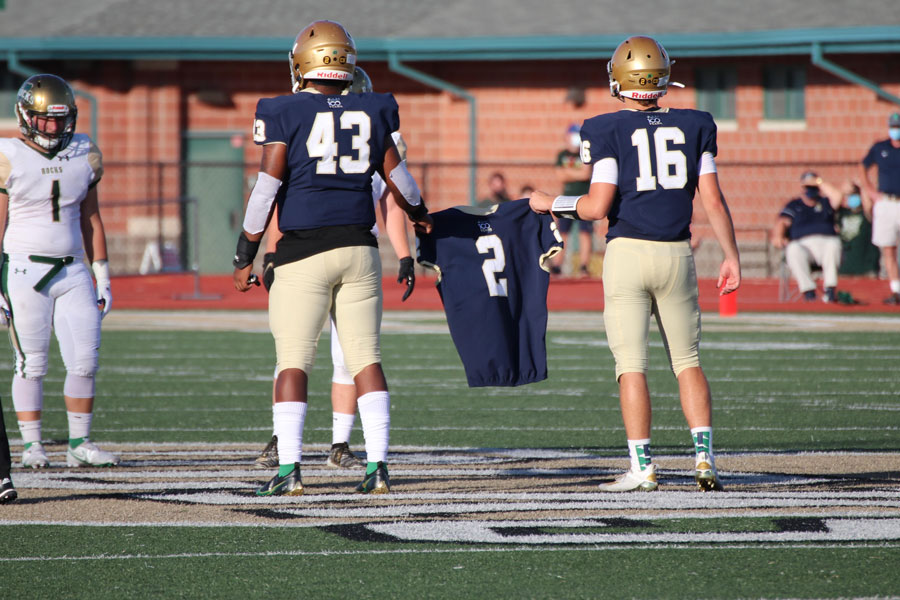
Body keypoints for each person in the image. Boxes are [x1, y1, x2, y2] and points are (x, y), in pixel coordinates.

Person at [529, 35, 741, 492]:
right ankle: (705, 460)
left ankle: (642, 467)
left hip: (627, 254)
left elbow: (597, 205)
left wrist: (551, 202)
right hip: (676, 254)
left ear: (618, 80)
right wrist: (731, 256)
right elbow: (714, 200)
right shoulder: (696, 124)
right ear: (663, 77)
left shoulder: (606, 129)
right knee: (687, 360)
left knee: (631, 365)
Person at [233, 20, 432, 497]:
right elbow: (400, 184)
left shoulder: (284, 111)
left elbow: (266, 190)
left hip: (303, 252)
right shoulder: (374, 109)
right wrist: (421, 217)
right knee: (366, 359)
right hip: (361, 251)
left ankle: (289, 471)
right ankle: (379, 466)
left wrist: (245, 252)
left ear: (304, 63)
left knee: (293, 363)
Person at [254, 66, 417, 471]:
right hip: (353, 251)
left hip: (322, 249)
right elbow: (404, 194)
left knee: (316, 355)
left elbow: (274, 192)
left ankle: (319, 452)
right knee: (355, 356)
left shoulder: (297, 118)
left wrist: (405, 253)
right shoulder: (372, 123)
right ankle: (370, 464)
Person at [0, 74, 119, 469]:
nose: (53, 127)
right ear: (25, 115)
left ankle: (79, 443)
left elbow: (92, 218)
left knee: (85, 360)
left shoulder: (84, 150)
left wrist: (102, 272)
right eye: (44, 119)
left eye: (60, 118)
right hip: (22, 269)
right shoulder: (7, 154)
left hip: (73, 270)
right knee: (31, 361)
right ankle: (32, 445)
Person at [771, 171, 842, 302]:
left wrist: (819, 182)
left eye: (813, 187)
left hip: (825, 244)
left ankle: (830, 289)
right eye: (808, 186)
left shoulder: (825, 202)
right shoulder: (794, 205)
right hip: (803, 246)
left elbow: (837, 196)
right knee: (793, 249)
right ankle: (808, 291)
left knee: (833, 244)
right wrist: (778, 236)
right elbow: (782, 222)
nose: (811, 190)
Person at [861, 112, 900, 304]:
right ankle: (896, 291)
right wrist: (870, 190)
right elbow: (863, 166)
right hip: (886, 201)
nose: (896, 131)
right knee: (889, 248)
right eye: (894, 127)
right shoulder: (880, 147)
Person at [550, 124, 593, 277]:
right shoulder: (562, 154)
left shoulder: (585, 153)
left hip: (585, 198)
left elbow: (586, 174)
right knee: (563, 232)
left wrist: (568, 172)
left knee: (585, 232)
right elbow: (560, 176)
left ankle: (584, 267)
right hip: (566, 199)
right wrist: (577, 172)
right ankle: (557, 266)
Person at [835, 181, 880, 277]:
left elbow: (868, 206)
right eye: (849, 195)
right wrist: (842, 191)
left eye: (855, 195)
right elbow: (833, 203)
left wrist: (862, 186)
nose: (852, 198)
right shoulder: (842, 213)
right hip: (845, 268)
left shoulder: (867, 214)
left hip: (866, 268)